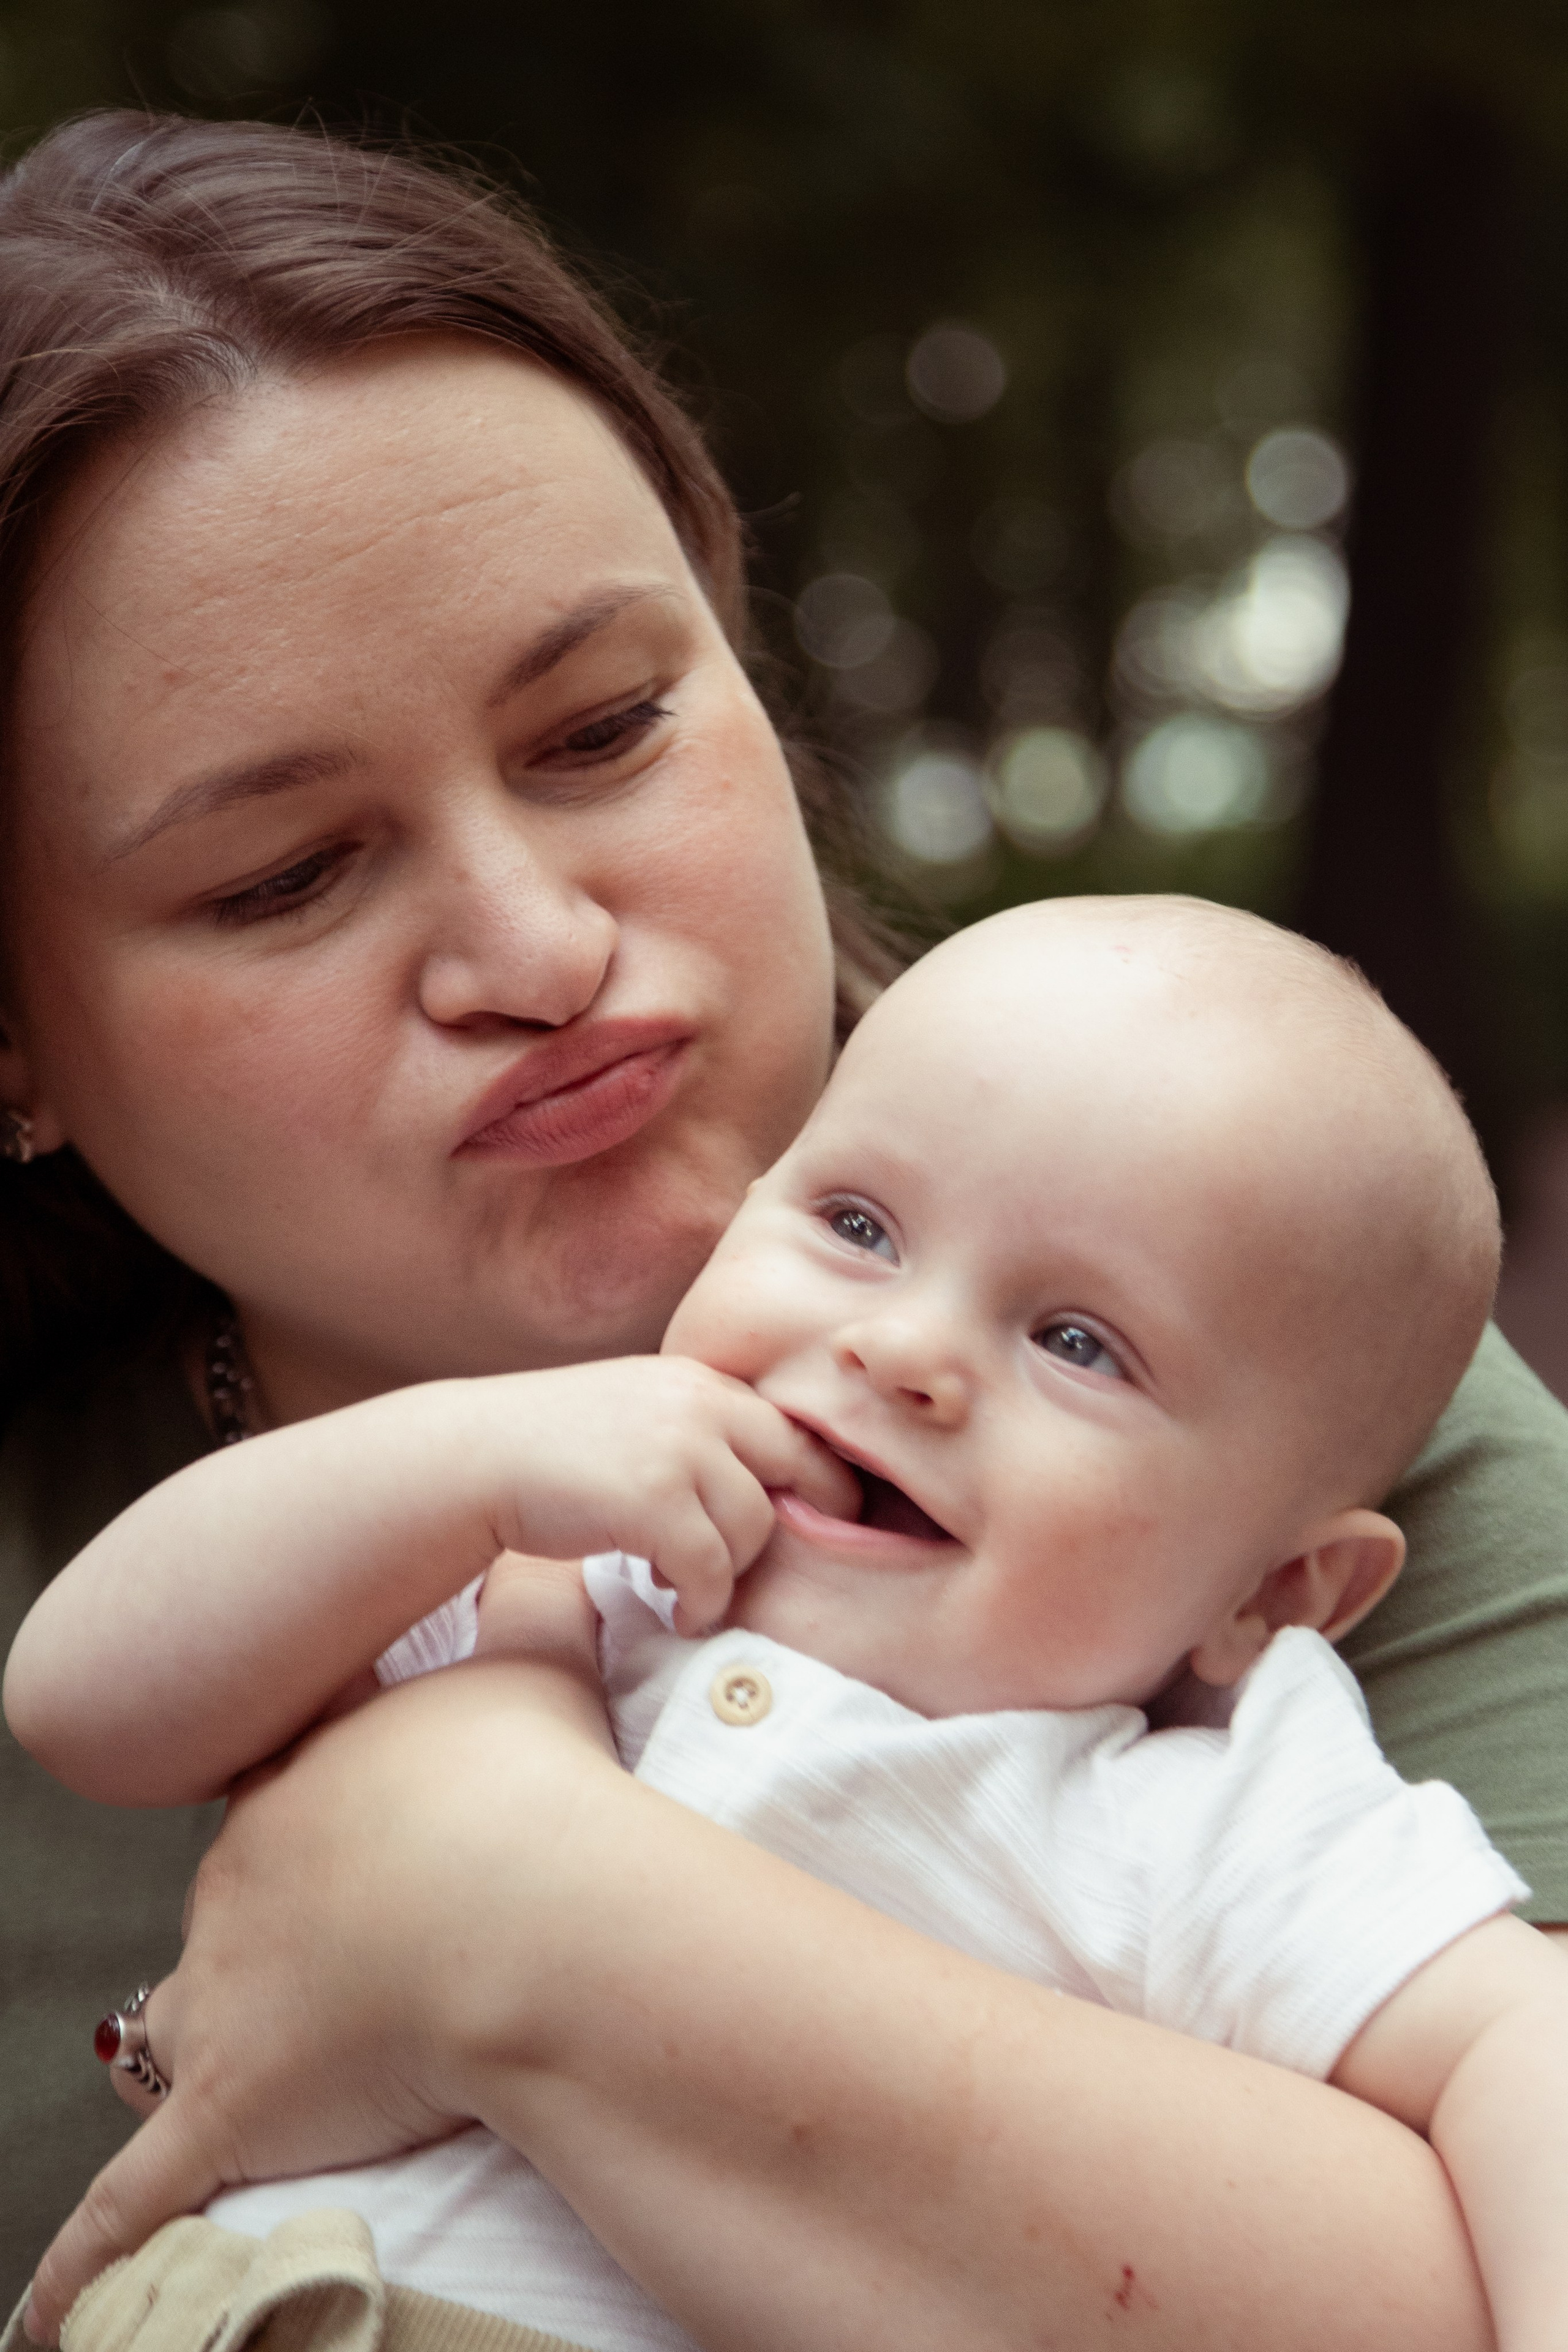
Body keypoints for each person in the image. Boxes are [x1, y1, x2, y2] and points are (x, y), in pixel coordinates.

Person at [0, 105, 1562, 2352]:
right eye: (281, 877)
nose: (536, 944)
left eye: (612, 723)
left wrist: (494, 1909)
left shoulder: (1296, 1368)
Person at [11, 897, 1567, 2352]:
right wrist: (465, 1463)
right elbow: (84, 1699)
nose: (900, 1350)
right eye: (858, 1227)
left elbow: (1517, 2043)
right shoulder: (556, 1584)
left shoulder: (1196, 1814)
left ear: (1270, 1595)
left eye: (1079, 1342)